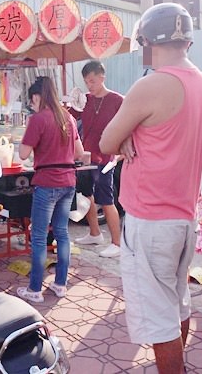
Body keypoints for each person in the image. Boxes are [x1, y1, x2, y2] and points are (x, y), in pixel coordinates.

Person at [99, 2, 202, 374]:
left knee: (160, 322)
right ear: (187, 41)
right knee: (176, 305)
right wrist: (131, 134)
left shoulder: (151, 84)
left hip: (150, 221)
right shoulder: (199, 80)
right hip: (182, 218)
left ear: (147, 42)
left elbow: (105, 142)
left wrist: (126, 134)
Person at [16, 77, 84, 303]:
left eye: (31, 100)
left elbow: (23, 154)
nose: (31, 104)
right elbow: (78, 153)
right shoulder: (68, 118)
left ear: (37, 96)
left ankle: (35, 289)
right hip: (68, 182)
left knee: (39, 235)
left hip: (47, 182)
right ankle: (60, 284)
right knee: (62, 233)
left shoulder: (38, 119)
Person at [70, 60, 124, 258]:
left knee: (107, 199)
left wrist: (119, 154)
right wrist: (71, 102)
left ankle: (117, 243)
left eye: (92, 81)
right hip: (86, 155)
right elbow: (68, 116)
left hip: (107, 157)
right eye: (86, 82)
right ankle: (95, 233)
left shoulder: (117, 100)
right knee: (86, 195)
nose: (89, 86)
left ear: (102, 77)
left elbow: (129, 127)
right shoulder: (85, 99)